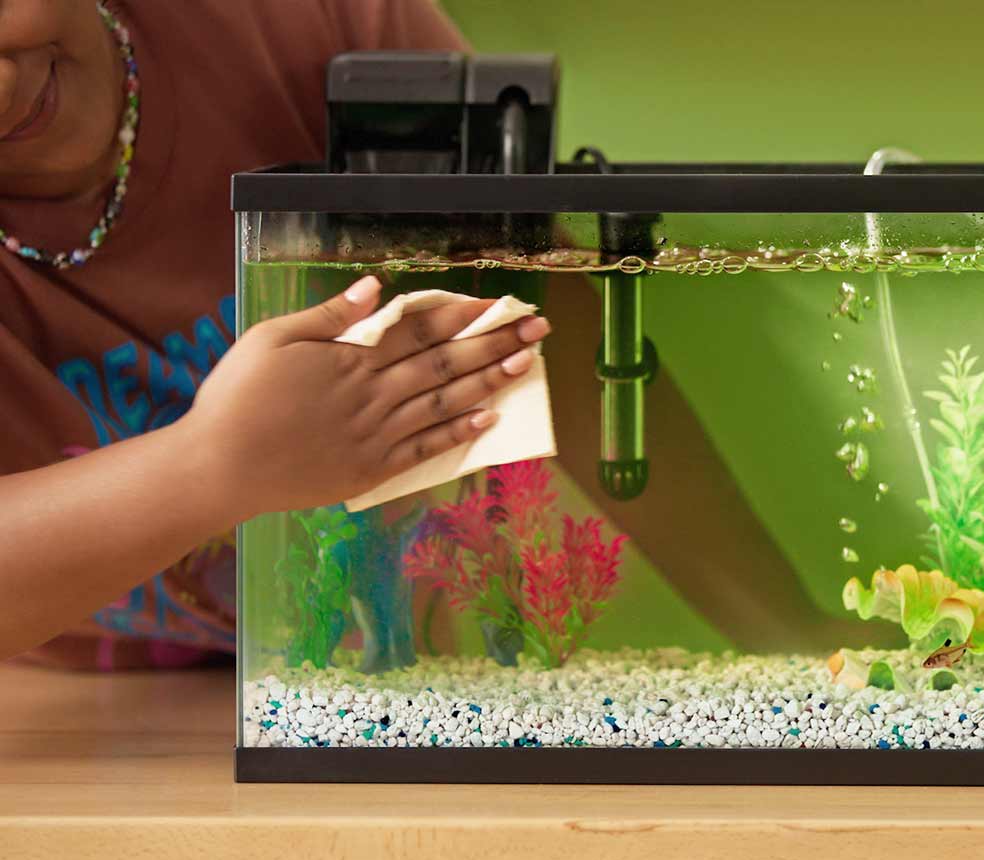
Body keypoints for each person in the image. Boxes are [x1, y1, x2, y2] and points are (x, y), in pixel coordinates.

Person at [0, 0, 872, 669]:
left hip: (383, 675)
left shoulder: (296, 23)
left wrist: (785, 631)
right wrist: (217, 464)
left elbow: (533, 314)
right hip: (96, 695)